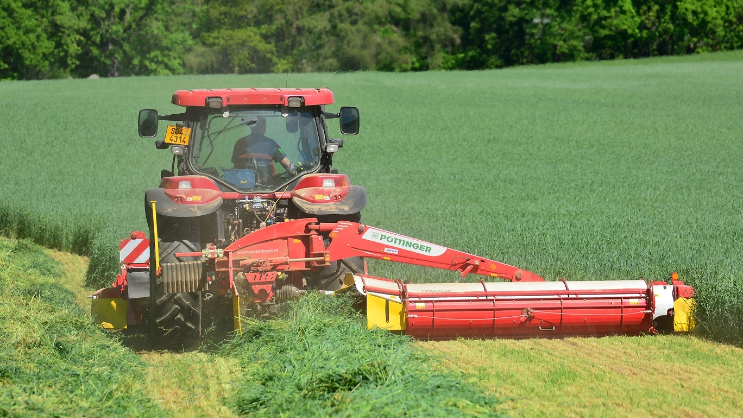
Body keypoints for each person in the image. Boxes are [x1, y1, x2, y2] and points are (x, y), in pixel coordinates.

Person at [231, 116, 296, 178]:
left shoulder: (239, 143)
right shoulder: (271, 143)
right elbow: (287, 164)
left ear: (251, 127)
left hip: (243, 185)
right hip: (268, 186)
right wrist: (296, 174)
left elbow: (236, 166)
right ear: (264, 127)